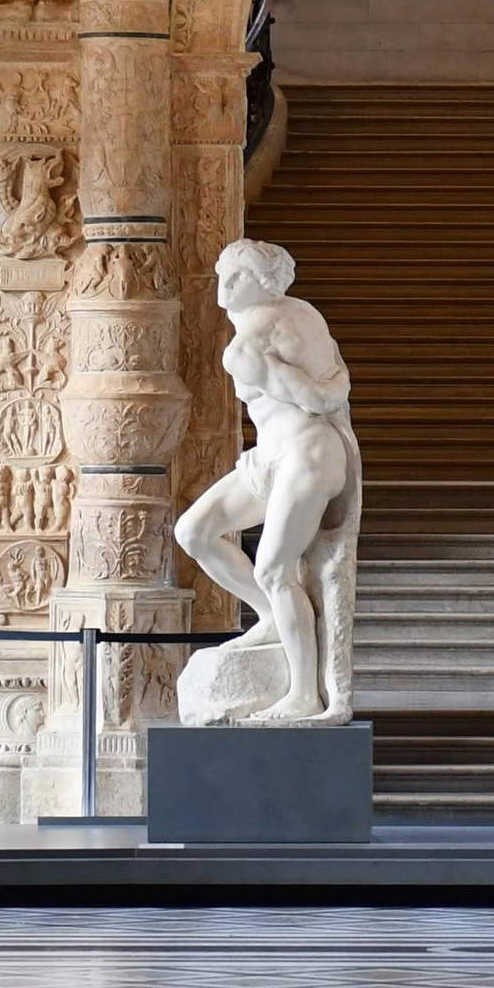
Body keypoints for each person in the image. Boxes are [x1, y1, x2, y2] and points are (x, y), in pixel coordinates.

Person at [173, 239, 360, 723]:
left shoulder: (251, 344)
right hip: (274, 453)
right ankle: (274, 617)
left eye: (239, 277)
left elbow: (320, 400)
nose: (226, 286)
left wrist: (282, 374)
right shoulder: (302, 312)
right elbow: (339, 384)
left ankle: (304, 695)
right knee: (193, 532)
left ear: (266, 282)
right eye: (224, 274)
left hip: (305, 453)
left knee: (275, 569)